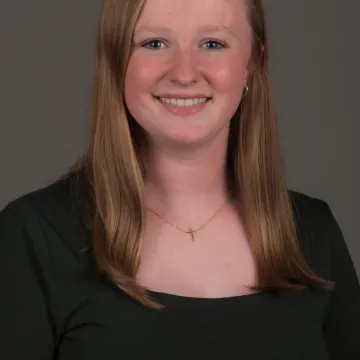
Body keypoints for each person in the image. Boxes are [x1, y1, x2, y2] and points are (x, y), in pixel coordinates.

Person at [0, 0, 359, 358]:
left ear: (252, 64)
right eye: (154, 43)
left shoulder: (313, 235)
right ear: (116, 60)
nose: (184, 73)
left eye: (213, 44)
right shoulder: (32, 235)